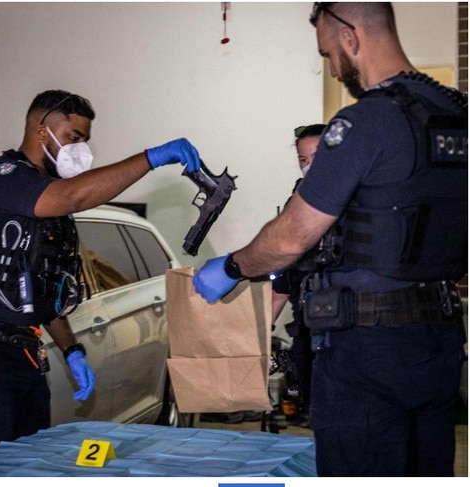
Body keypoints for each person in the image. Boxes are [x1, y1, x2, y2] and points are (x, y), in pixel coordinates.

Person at [194, 3, 467, 476]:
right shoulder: (455, 115)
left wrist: (233, 266)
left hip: (367, 351)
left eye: (327, 54)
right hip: (439, 344)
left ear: (348, 35)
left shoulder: (367, 121)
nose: (334, 69)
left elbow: (292, 235)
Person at [0, 89, 202, 460]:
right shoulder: (2, 179)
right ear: (42, 130)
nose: (81, 150)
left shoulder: (45, 200)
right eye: (74, 137)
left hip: (22, 352)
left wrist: (71, 350)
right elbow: (72, 196)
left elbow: (40, 289)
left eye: (86, 140)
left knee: (27, 466)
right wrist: (150, 159)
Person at [270, 123, 325, 426]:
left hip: (352, 336)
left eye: (317, 157)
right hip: (308, 326)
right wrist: (261, 326)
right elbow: (285, 270)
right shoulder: (298, 202)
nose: (309, 167)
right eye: (303, 160)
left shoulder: (365, 200)